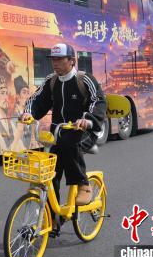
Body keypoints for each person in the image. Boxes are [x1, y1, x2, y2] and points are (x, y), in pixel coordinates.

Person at [21, 43, 106, 211]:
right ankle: (53, 218)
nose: (55, 63)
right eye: (53, 59)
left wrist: (87, 120)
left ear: (72, 61)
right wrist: (29, 113)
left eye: (60, 59)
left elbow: (98, 101)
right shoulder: (51, 81)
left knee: (69, 144)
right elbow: (37, 99)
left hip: (84, 132)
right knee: (50, 170)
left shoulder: (84, 79)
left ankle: (84, 185)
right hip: (58, 133)